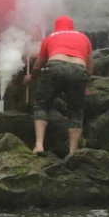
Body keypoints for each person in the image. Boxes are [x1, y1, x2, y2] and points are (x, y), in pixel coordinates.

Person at [26, 16, 93, 156]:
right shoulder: (83, 37)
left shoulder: (50, 37)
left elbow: (38, 65)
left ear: (57, 26)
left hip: (55, 66)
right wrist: (86, 82)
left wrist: (32, 77)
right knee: (76, 112)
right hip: (79, 69)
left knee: (42, 105)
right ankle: (72, 153)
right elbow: (90, 66)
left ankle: (39, 145)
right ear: (72, 26)